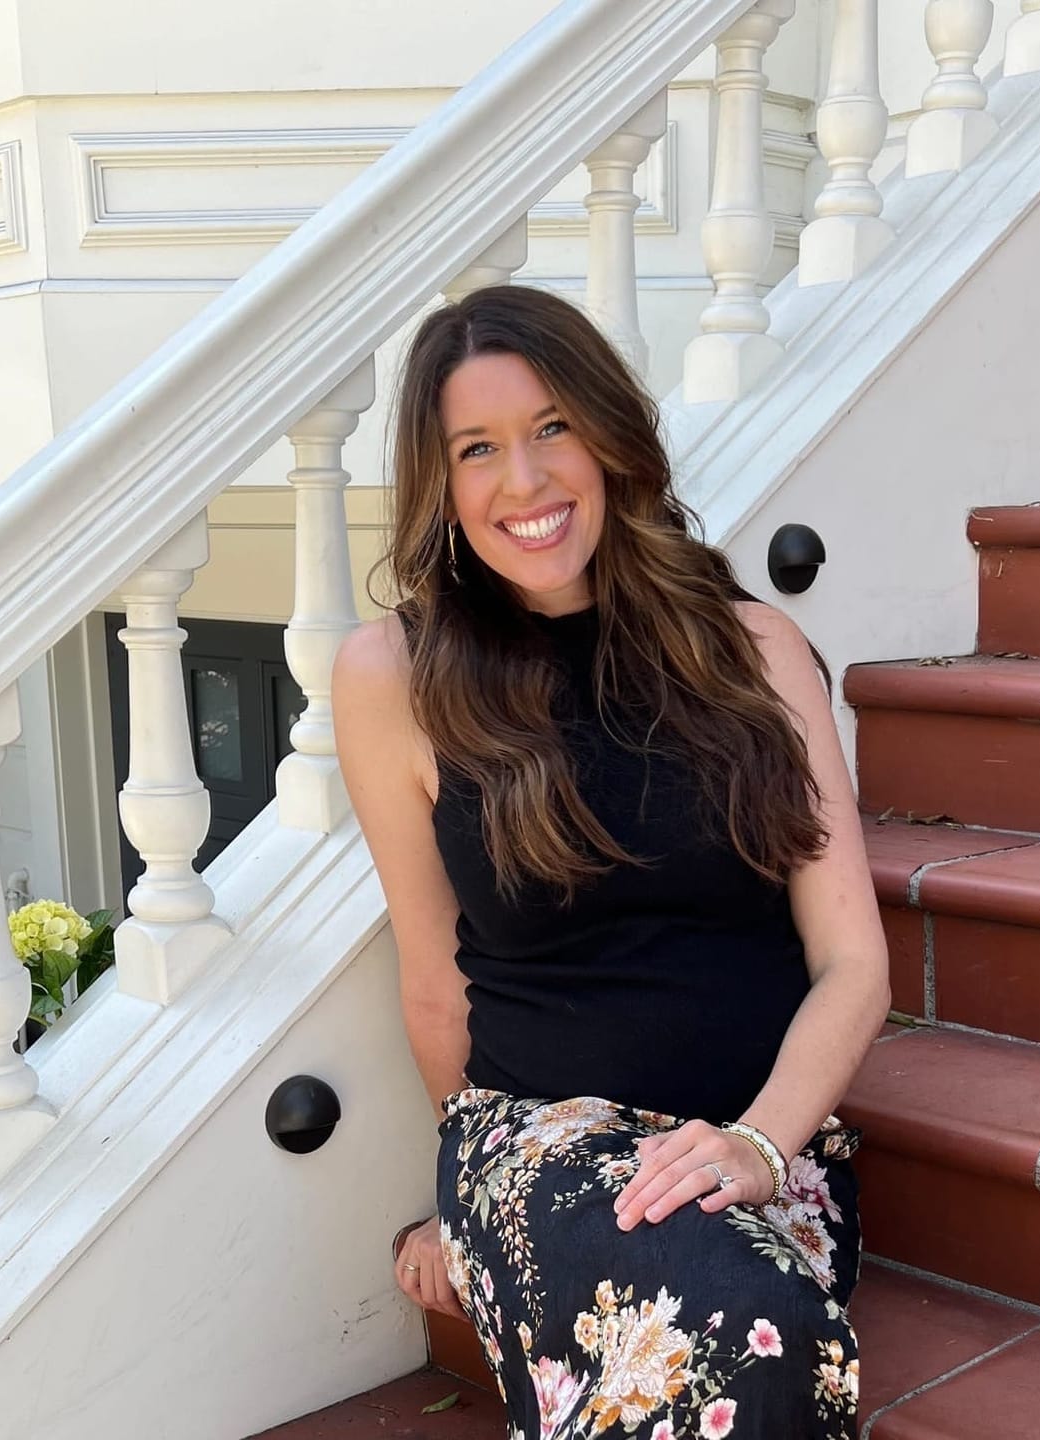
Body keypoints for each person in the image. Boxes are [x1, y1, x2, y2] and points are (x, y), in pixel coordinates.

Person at [332, 284, 890, 1440]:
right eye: (477, 449)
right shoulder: (396, 676)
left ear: (608, 435)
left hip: (757, 1150)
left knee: (752, 1315)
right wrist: (467, 1197)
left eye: (552, 429)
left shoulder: (755, 650)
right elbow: (436, 977)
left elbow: (852, 964)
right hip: (533, 1146)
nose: (524, 482)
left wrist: (758, 1141)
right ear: (439, 486)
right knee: (734, 1328)